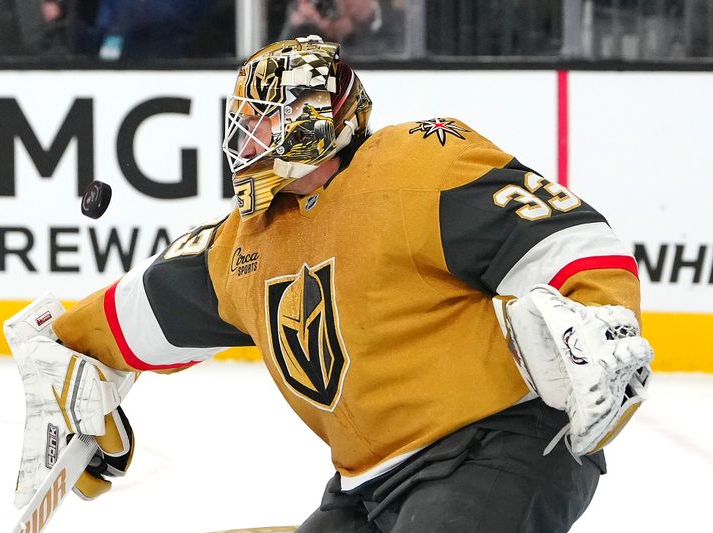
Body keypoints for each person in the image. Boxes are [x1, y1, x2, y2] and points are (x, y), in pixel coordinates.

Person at [43, 36, 653, 531]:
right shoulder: (244, 243)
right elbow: (144, 310)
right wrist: (66, 355)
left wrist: (604, 316)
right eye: (242, 127)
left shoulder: (416, 164)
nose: (243, 144)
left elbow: (564, 236)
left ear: (314, 120)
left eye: (262, 126)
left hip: (501, 446)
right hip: (367, 486)